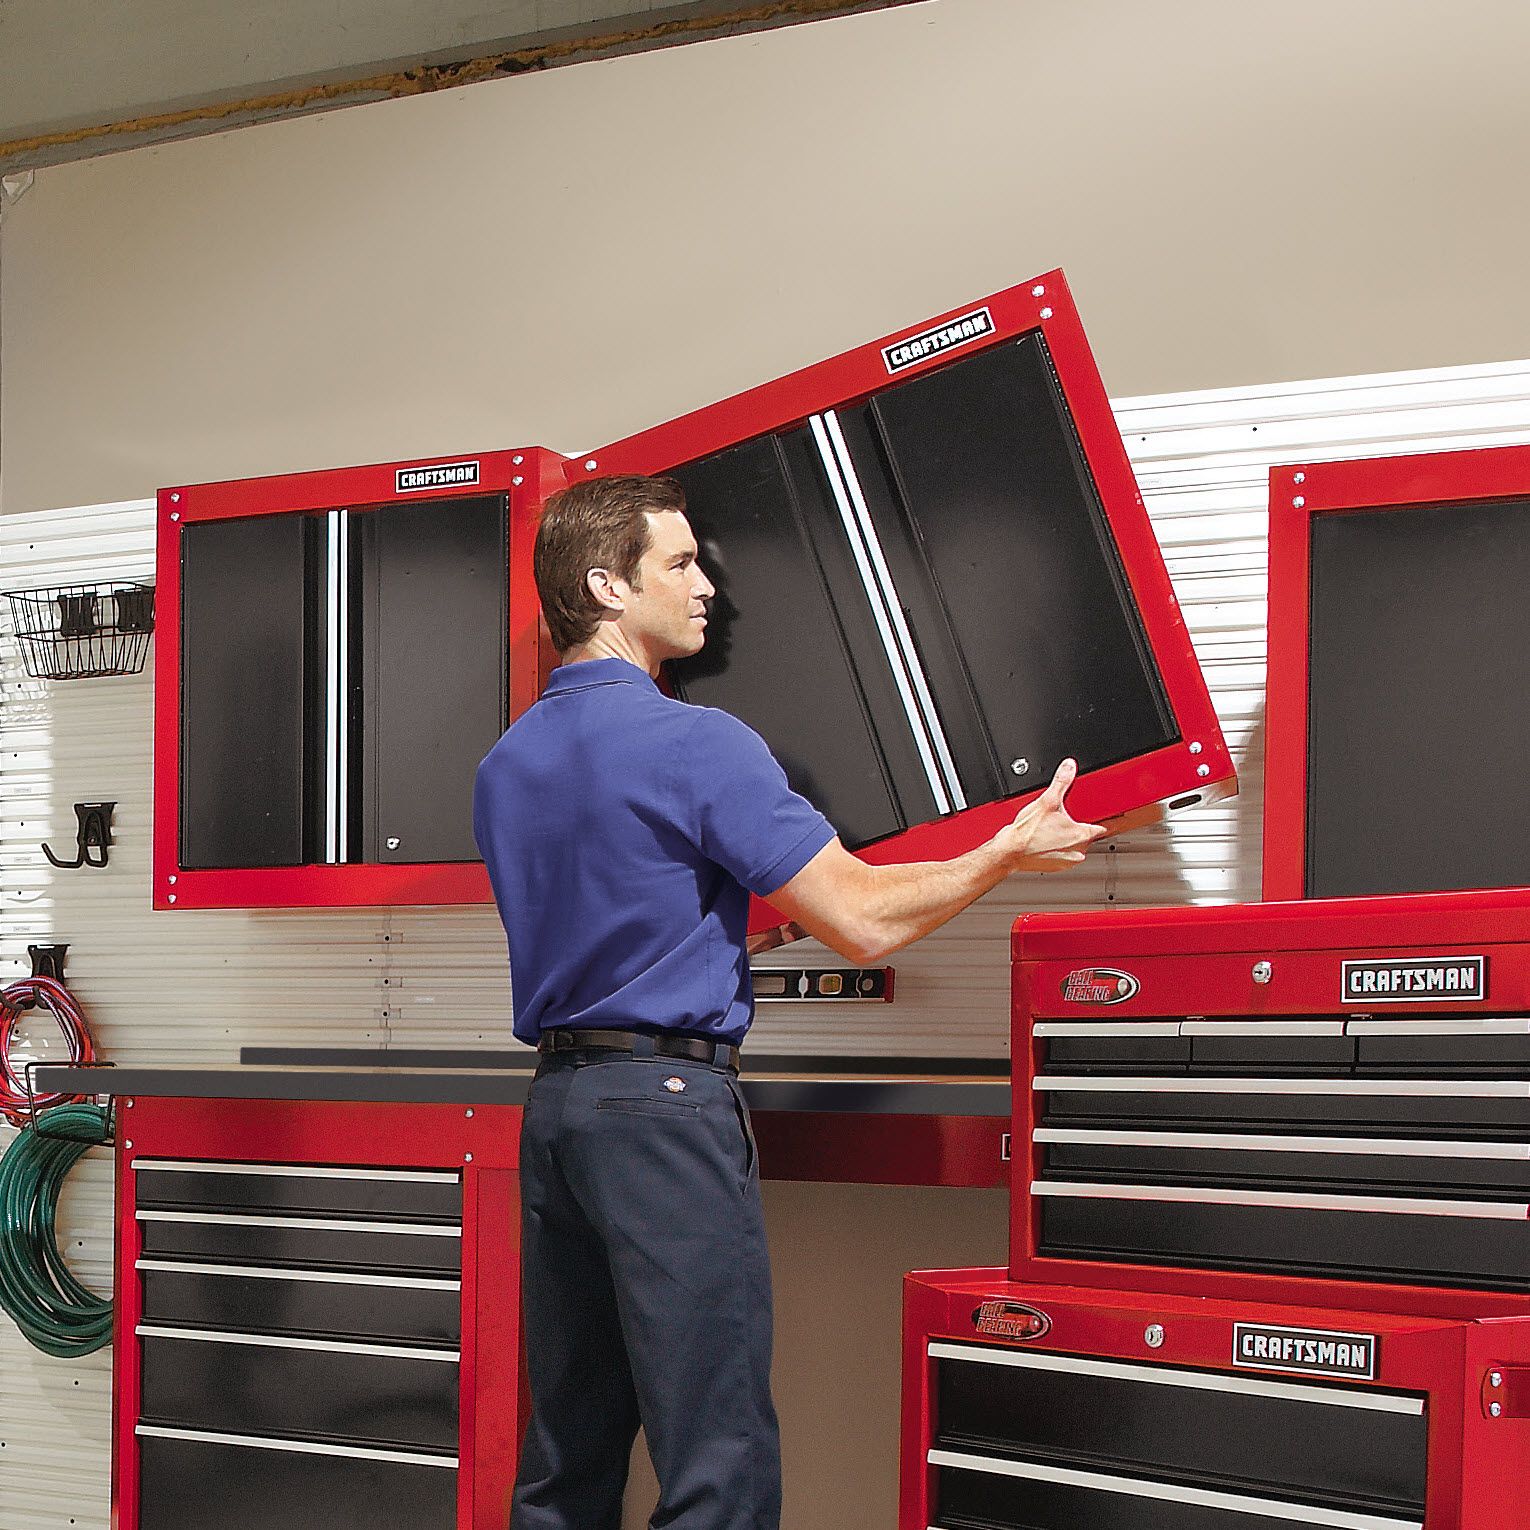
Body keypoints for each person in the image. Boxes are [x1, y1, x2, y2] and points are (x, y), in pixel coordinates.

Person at [473, 474, 1105, 1530]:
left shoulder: (508, 763)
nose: (705, 583)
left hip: (559, 1113)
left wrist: (739, 921)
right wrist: (1002, 854)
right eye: (677, 563)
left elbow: (618, 905)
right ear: (605, 585)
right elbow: (861, 919)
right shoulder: (696, 741)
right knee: (714, 1452)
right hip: (664, 1112)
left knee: (568, 1450)